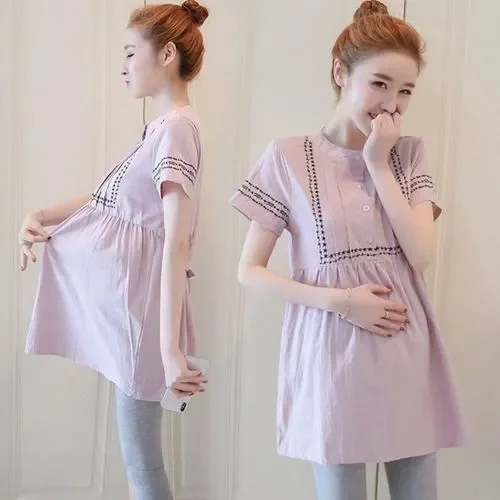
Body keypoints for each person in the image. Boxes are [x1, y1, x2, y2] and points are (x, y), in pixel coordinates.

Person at [230, 1, 464, 499]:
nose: (392, 104)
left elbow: (421, 255)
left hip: (405, 353)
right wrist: (342, 302)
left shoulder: (408, 155)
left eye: (406, 91)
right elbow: (249, 270)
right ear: (341, 72)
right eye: (380, 83)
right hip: (331, 356)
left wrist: (378, 163)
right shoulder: (287, 156)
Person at [18, 2, 209, 499]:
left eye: (129, 52)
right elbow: (108, 202)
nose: (123, 66)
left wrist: (169, 350)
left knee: (142, 462)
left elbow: (177, 239)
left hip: (142, 321)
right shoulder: (162, 128)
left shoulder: (177, 129)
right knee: (138, 459)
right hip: (132, 316)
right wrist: (41, 214)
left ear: (166, 54)